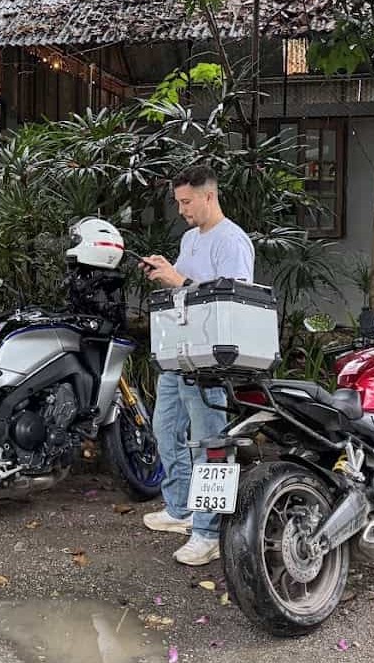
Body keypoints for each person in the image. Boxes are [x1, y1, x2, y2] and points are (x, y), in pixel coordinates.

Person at [138, 164, 255, 566]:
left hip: (213, 360)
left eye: (187, 202)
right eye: (178, 203)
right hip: (180, 352)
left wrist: (178, 282)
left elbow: (234, 301)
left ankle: (208, 532)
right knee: (165, 428)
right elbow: (185, 281)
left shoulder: (232, 241)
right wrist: (165, 270)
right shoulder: (190, 238)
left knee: (211, 444)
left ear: (209, 196)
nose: (182, 210)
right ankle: (180, 509)